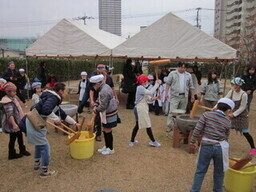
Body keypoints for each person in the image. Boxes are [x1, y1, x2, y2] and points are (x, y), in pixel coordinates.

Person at [20, 82, 81, 178]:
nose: (65, 94)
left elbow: (62, 114)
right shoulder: (53, 98)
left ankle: (37, 164)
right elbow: (46, 109)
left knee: (39, 145)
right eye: (65, 92)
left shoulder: (52, 98)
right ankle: (44, 171)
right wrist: (56, 120)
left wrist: (75, 123)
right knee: (45, 147)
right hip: (34, 123)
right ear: (60, 91)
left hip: (34, 122)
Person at [190, 98, 234, 192]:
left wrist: (193, 141)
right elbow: (226, 137)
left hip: (206, 146)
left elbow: (197, 129)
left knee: (200, 171)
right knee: (219, 173)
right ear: (228, 110)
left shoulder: (206, 115)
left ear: (217, 106)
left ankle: (194, 190)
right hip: (220, 148)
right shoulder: (228, 121)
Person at [87, 64, 119, 142]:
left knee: (106, 125)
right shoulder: (94, 79)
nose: (101, 71)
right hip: (98, 100)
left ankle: (109, 145)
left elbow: (112, 89)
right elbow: (92, 91)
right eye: (99, 69)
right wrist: (93, 101)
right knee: (98, 119)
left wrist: (116, 98)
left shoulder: (107, 81)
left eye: (102, 70)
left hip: (105, 105)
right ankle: (98, 134)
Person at [224, 77, 256, 155]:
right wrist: (216, 107)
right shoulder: (231, 92)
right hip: (232, 114)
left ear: (239, 85)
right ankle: (224, 145)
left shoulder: (243, 94)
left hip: (242, 115)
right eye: (233, 84)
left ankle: (253, 148)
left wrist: (234, 114)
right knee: (225, 129)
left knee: (245, 132)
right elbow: (225, 100)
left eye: (236, 85)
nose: (234, 86)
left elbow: (242, 107)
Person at [129, 75, 162, 147]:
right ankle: (153, 141)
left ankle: (132, 141)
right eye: (147, 81)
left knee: (138, 125)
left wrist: (156, 98)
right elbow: (150, 92)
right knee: (147, 124)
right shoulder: (140, 87)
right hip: (140, 108)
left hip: (141, 108)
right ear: (143, 81)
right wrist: (157, 84)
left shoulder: (142, 88)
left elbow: (149, 98)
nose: (148, 82)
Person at [0, 82, 31, 159]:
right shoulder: (7, 101)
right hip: (12, 124)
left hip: (17, 122)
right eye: (14, 91)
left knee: (20, 136)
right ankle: (12, 154)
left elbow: (18, 110)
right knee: (13, 138)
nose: (15, 92)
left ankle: (22, 150)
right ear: (8, 92)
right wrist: (14, 124)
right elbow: (9, 114)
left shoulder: (13, 99)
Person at [90, 75, 118, 155]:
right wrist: (96, 104)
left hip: (109, 112)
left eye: (93, 85)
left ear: (98, 83)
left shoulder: (104, 90)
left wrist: (96, 110)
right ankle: (106, 146)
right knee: (105, 129)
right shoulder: (103, 86)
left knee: (108, 130)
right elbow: (100, 99)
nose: (93, 87)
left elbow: (103, 106)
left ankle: (111, 148)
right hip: (107, 112)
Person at [165, 62, 194, 132]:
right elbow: (168, 83)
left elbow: (191, 86)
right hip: (175, 96)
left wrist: (192, 95)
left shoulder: (188, 75)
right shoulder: (172, 74)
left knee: (182, 112)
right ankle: (170, 126)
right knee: (172, 111)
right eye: (181, 67)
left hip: (184, 96)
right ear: (178, 67)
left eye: (184, 67)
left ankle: (181, 127)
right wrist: (166, 93)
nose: (183, 69)